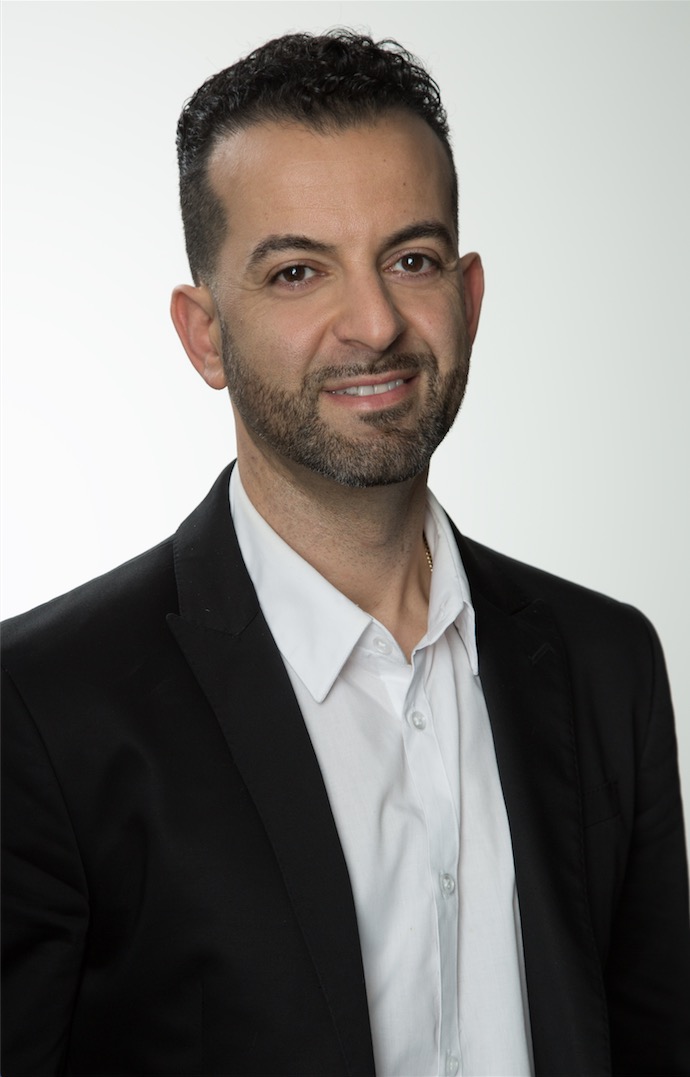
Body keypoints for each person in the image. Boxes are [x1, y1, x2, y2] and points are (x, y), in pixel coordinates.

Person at [2, 28, 689, 1077]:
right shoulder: (42, 710)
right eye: (297, 272)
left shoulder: (609, 663)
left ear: (468, 297)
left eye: (411, 261)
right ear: (203, 335)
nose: (373, 323)